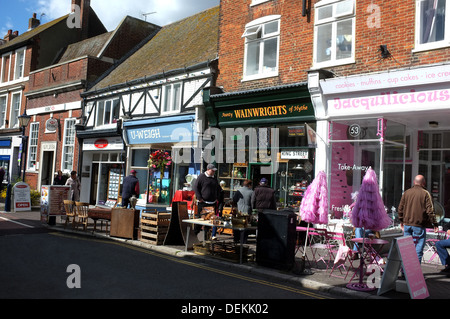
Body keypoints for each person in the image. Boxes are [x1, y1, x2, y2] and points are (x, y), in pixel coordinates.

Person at [398, 175, 439, 263]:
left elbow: (400, 208)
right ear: (423, 183)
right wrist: (435, 224)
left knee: (406, 249)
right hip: (419, 225)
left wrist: (401, 221)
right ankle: (415, 274)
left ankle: (405, 271)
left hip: (407, 225)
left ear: (414, 182)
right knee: (418, 250)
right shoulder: (425, 193)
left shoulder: (406, 193)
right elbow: (430, 211)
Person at [193, 164, 221, 237]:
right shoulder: (201, 177)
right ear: (208, 169)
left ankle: (206, 239)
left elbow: (218, 188)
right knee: (200, 221)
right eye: (212, 170)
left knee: (209, 222)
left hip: (212, 203)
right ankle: (194, 236)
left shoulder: (214, 178)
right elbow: (196, 187)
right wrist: (199, 198)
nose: (214, 172)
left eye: (214, 170)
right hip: (203, 203)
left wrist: (217, 197)